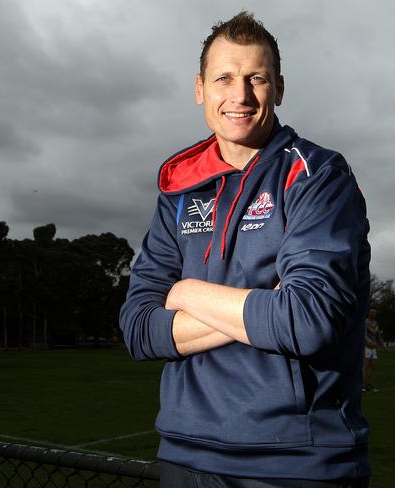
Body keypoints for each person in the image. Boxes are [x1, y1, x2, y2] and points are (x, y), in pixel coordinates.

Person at [120, 11, 371, 487]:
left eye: (257, 78)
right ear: (200, 88)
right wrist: (262, 303)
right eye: (224, 78)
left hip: (296, 464)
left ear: (279, 88)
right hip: (182, 456)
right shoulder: (180, 189)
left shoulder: (317, 176)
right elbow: (137, 329)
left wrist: (187, 289)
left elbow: (307, 320)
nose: (240, 95)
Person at [363, 308, 385, 392]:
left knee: (373, 367)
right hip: (367, 347)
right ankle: (362, 385)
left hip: (374, 348)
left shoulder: (376, 323)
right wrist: (369, 342)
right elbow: (363, 334)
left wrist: (383, 345)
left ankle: (370, 385)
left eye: (374, 313)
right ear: (368, 313)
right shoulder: (365, 322)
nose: (373, 314)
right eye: (371, 312)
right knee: (365, 367)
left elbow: (378, 336)